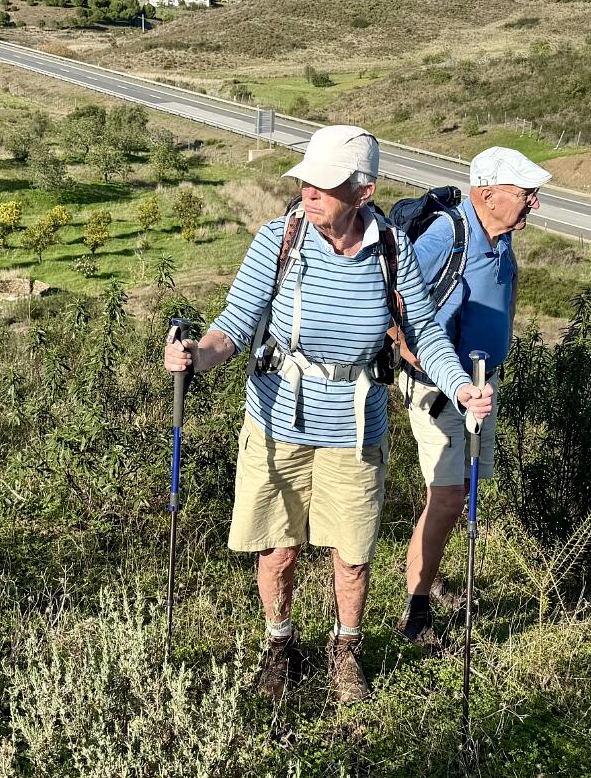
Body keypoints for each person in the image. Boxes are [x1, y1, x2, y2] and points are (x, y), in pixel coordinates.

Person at [163, 125, 491, 703]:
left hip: (356, 428)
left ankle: (345, 649)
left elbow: (425, 335)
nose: (309, 193)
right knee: (278, 548)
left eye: (325, 185)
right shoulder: (279, 240)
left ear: (364, 191)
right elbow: (233, 326)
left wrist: (461, 387)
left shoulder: (391, 251)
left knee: (353, 554)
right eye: (306, 182)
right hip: (276, 422)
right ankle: (280, 645)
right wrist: (195, 355)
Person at [395, 146, 552, 647]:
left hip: (482, 384)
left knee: (457, 492)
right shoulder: (447, 236)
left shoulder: (502, 236)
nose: (533, 203)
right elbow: (391, 300)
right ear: (487, 193)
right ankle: (416, 611)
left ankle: (428, 575)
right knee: (447, 496)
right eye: (526, 193)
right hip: (441, 389)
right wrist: (418, 358)